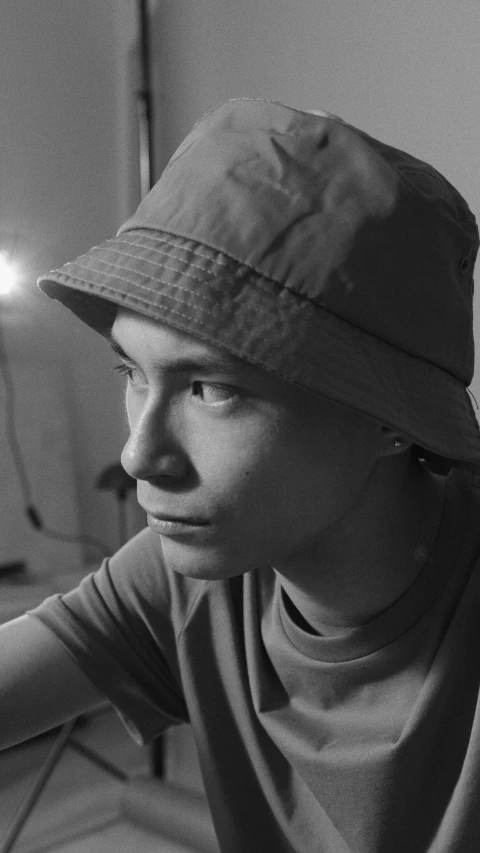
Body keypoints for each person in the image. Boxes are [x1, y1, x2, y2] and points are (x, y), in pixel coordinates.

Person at [1, 98, 480, 852]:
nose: (138, 455)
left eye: (212, 389)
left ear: (394, 417)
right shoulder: (185, 581)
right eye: (132, 371)